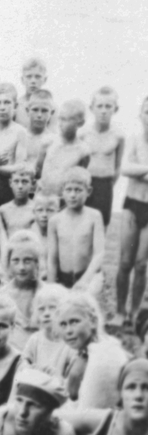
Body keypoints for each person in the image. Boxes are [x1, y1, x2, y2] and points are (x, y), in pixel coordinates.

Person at [115, 95, 148, 328]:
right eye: (147, 111)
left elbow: (133, 170)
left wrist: (139, 170)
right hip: (132, 204)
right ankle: (119, 311)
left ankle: (134, 312)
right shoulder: (135, 139)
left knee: (141, 264)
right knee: (125, 262)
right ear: (140, 115)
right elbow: (125, 168)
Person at [46, 166, 104, 295]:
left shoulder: (94, 216)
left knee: (82, 301)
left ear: (88, 191)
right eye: (69, 190)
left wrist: (85, 280)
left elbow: (99, 254)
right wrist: (50, 286)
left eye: (78, 190)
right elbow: (52, 259)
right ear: (62, 191)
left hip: (88, 276)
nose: (73, 195)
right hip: (63, 277)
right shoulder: (55, 221)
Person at [82, 86, 124, 227]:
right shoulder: (83, 134)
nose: (104, 111)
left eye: (108, 106)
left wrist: (108, 185)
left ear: (115, 109)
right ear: (92, 108)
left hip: (104, 185)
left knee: (101, 225)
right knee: (80, 224)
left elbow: (117, 166)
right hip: (84, 183)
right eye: (99, 106)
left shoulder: (118, 136)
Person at [37, 98, 90, 197]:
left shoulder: (83, 150)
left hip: (64, 199)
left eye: (66, 120)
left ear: (80, 123)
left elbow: (79, 177)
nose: (60, 124)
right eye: (60, 118)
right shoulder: (48, 142)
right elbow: (38, 169)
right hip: (43, 196)